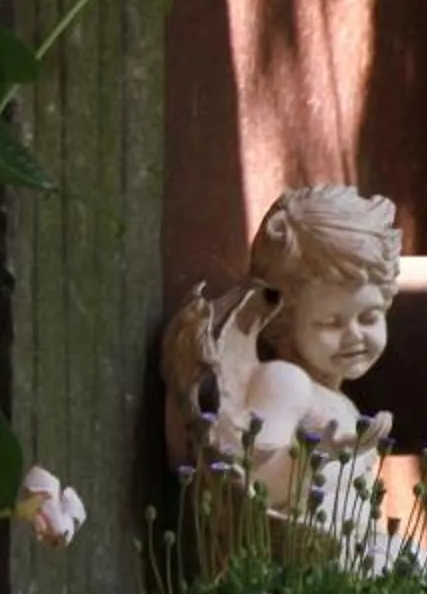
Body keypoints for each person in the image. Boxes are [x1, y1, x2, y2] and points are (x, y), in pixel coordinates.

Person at [165, 186, 403, 515]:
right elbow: (250, 478)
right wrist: (306, 457)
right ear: (285, 320)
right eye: (331, 322)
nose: (354, 336)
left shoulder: (342, 405)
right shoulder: (285, 383)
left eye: (369, 317)